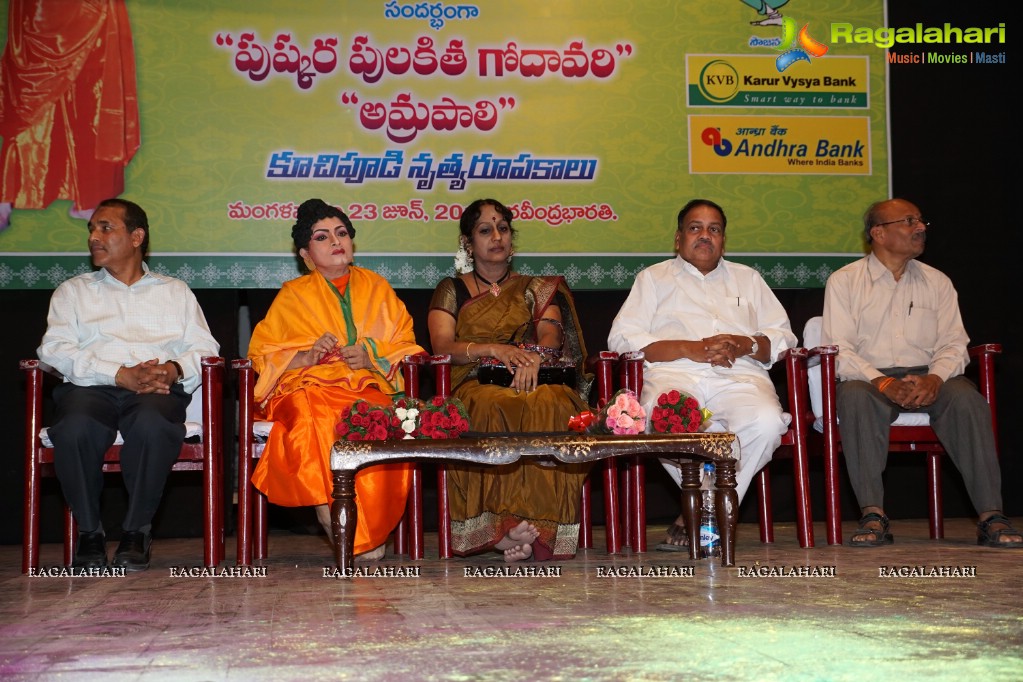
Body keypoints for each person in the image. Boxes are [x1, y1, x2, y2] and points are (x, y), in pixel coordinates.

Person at [821, 198, 1021, 548]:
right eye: (909, 220)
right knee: (853, 397)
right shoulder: (845, 281)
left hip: (931, 378)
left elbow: (955, 344)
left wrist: (936, 378)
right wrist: (881, 380)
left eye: (921, 220)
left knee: (968, 400)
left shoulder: (937, 281)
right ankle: (873, 513)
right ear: (878, 234)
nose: (921, 227)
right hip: (871, 380)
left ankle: (991, 515)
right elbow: (839, 349)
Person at [37, 198, 219, 571]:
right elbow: (53, 350)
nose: (94, 237)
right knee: (73, 429)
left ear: (137, 237)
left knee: (154, 426)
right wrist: (117, 373)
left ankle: (137, 531)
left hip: (156, 390)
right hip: (90, 388)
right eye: (91, 229)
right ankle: (90, 533)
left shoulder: (175, 291)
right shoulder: (74, 292)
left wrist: (172, 368)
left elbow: (205, 348)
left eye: (106, 228)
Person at [608, 198, 796, 550]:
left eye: (714, 229)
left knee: (768, 422)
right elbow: (622, 339)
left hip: (740, 375)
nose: (705, 236)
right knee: (655, 418)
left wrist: (746, 343)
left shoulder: (748, 279)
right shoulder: (653, 279)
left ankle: (704, 506)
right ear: (678, 239)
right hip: (674, 374)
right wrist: (688, 348)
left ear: (724, 240)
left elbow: (783, 337)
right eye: (695, 228)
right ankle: (714, 506)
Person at [248, 198, 424, 561]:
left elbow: (407, 343)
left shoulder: (377, 287)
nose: (335, 241)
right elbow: (262, 354)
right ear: (306, 254)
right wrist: (306, 356)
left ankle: (367, 535)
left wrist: (370, 355)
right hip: (309, 388)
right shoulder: (293, 295)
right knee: (315, 416)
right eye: (322, 237)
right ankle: (345, 529)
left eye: (341, 233)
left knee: (381, 419)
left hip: (368, 385)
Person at [427, 198, 592, 562]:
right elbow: (442, 345)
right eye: (485, 230)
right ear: (468, 243)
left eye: (503, 229)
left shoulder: (535, 287)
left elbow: (550, 332)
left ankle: (538, 528)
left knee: (551, 404)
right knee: (494, 404)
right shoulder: (451, 289)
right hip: (474, 381)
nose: (497, 236)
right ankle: (501, 529)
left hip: (532, 375)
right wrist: (495, 350)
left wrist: (535, 356)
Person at [0, 0, 139, 230]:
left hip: (94, 12)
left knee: (90, 98)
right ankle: (7, 196)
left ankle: (87, 196)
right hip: (40, 11)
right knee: (32, 99)